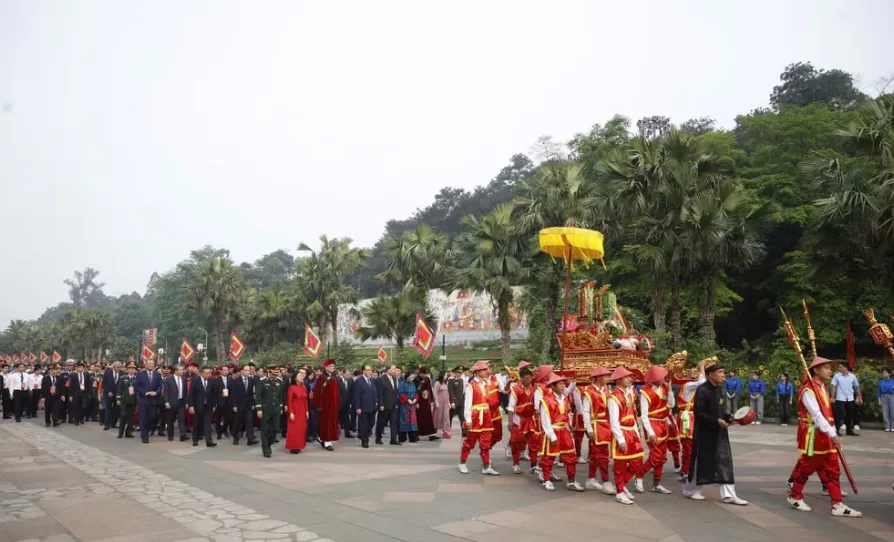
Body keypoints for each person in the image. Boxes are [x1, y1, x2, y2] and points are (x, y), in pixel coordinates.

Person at [787, 357, 862, 517]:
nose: (830, 371)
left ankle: (837, 504)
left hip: (826, 433)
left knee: (832, 467)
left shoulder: (823, 387)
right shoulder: (808, 390)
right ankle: (794, 495)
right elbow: (816, 415)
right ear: (816, 370)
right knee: (808, 465)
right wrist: (833, 434)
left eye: (830, 368)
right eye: (826, 368)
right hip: (815, 434)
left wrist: (832, 432)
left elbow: (828, 415)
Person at [683, 360, 748, 505]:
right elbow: (699, 413)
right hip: (705, 433)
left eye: (723, 372)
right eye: (720, 372)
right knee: (702, 462)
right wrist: (716, 421)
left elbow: (720, 410)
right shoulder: (702, 390)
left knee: (724, 461)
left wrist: (728, 416)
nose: (723, 375)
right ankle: (690, 489)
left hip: (719, 433)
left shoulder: (719, 390)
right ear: (710, 375)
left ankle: (729, 495)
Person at [539, 373, 584, 492]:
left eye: (563, 383)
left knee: (570, 456)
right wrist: (551, 435)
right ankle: (547, 479)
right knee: (549, 457)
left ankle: (571, 481)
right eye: (560, 383)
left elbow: (567, 413)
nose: (563, 385)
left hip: (564, 431)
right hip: (553, 430)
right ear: (553, 386)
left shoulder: (565, 398)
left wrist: (569, 425)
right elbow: (545, 420)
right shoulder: (546, 400)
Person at [607, 367, 645, 505]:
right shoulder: (613, 397)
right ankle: (620, 492)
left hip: (632, 432)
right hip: (622, 432)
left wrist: (636, 431)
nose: (630, 379)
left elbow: (633, 415)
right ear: (618, 380)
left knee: (637, 463)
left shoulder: (629, 394)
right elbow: (614, 421)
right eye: (627, 377)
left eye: (630, 377)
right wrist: (620, 439)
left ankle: (622, 486)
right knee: (620, 465)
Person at [458, 360, 499, 476]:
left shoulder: (486, 384)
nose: (487, 372)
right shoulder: (471, 385)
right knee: (470, 442)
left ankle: (486, 466)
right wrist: (468, 420)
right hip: (476, 416)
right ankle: (462, 463)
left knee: (485, 442)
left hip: (486, 416)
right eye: (484, 370)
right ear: (477, 372)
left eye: (486, 369)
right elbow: (467, 404)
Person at [637, 365, 674, 495]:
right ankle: (639, 475)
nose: (664, 379)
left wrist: (670, 391)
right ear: (655, 378)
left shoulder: (664, 388)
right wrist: (651, 432)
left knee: (662, 456)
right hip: (652, 425)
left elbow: (671, 405)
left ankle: (656, 483)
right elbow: (644, 415)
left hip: (663, 425)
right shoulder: (645, 392)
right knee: (655, 455)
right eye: (662, 377)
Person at [582, 366, 616, 494]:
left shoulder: (607, 390)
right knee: (602, 455)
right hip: (596, 425)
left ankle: (591, 479)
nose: (608, 378)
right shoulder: (588, 392)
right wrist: (589, 429)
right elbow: (585, 412)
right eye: (606, 376)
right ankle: (606, 481)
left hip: (605, 425)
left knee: (597, 455)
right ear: (598, 377)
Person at [677, 359, 708, 482]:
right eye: (693, 372)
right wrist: (701, 367)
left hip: (691, 418)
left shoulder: (693, 387)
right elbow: (703, 382)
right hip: (687, 419)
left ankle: (685, 470)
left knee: (689, 447)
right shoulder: (688, 385)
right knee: (689, 447)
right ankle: (685, 470)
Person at [507, 366, 538, 474]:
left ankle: (533, 465)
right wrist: (510, 422)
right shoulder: (516, 389)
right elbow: (511, 407)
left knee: (534, 442)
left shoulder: (535, 389)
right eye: (527, 378)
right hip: (518, 420)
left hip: (530, 420)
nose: (529, 380)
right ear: (521, 378)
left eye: (530, 378)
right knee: (517, 443)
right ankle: (516, 464)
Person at [312, 359, 341, 451]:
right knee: (325, 423)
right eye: (331, 366)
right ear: (325, 367)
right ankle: (326, 440)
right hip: (325, 405)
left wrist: (338, 402)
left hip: (333, 405)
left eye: (333, 366)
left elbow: (337, 392)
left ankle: (328, 438)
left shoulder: (334, 377)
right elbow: (317, 393)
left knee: (333, 422)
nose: (333, 368)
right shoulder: (322, 378)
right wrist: (318, 405)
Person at [188, 366, 219, 448]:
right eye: (207, 373)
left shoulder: (212, 381)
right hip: (197, 406)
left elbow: (214, 394)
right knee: (197, 423)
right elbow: (191, 394)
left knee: (208, 424)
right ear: (201, 373)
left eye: (210, 373)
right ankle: (195, 439)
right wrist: (191, 406)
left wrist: (214, 405)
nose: (209, 374)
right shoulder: (195, 381)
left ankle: (209, 441)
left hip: (208, 406)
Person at [256, 365, 283, 458]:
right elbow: (258, 397)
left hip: (275, 410)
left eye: (277, 374)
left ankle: (268, 444)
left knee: (276, 429)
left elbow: (280, 396)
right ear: (269, 372)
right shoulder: (262, 382)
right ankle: (265, 449)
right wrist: (259, 409)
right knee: (264, 430)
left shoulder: (279, 382)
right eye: (273, 374)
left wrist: (281, 407)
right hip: (265, 410)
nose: (275, 376)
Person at [831, 362, 862, 436]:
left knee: (850, 415)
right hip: (840, 398)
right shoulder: (837, 376)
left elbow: (857, 387)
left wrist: (859, 397)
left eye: (841, 367)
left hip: (850, 398)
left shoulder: (852, 376)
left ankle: (849, 430)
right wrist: (832, 397)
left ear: (846, 368)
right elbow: (834, 386)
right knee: (839, 415)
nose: (840, 368)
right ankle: (836, 430)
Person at [352, 365, 378, 448]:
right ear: (363, 371)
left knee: (371, 423)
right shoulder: (359, 381)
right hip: (363, 407)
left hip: (372, 406)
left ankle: (362, 434)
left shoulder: (372, 380)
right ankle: (365, 440)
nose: (369, 371)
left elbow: (374, 392)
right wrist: (358, 407)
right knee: (363, 424)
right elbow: (356, 395)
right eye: (367, 370)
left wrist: (376, 401)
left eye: (370, 370)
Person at [231, 364, 257, 445]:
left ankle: (250, 439)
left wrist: (253, 403)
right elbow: (233, 394)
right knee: (237, 422)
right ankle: (235, 438)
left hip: (248, 404)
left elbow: (252, 393)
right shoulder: (236, 380)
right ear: (241, 371)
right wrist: (234, 405)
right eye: (245, 370)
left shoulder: (251, 380)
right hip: (239, 405)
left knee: (250, 421)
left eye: (248, 370)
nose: (247, 372)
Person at [286, 368, 309, 454]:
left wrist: (307, 411)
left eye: (302, 375)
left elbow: (305, 400)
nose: (301, 376)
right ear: (295, 378)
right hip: (295, 410)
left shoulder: (303, 387)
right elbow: (289, 401)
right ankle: (293, 446)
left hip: (302, 410)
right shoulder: (291, 388)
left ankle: (299, 445)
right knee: (294, 429)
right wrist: (291, 412)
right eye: (299, 375)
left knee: (301, 429)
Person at [376, 365, 400, 446]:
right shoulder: (381, 379)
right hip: (384, 405)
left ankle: (393, 439)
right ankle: (378, 438)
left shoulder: (394, 378)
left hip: (393, 405)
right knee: (381, 422)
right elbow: (379, 393)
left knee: (394, 423)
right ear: (388, 370)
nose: (394, 371)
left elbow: (395, 392)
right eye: (393, 369)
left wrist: (396, 403)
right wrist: (381, 404)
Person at [164, 365, 189, 441]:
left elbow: (185, 391)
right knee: (170, 420)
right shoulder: (168, 379)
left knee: (182, 419)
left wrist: (186, 402)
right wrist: (167, 402)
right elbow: (166, 391)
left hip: (181, 402)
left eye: (183, 370)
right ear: (176, 371)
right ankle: (170, 436)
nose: (183, 371)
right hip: (171, 403)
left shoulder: (184, 379)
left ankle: (183, 435)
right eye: (181, 370)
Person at [416, 368, 439, 441]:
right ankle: (417, 433)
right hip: (419, 402)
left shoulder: (427, 379)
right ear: (420, 373)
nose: (425, 375)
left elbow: (429, 390)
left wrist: (432, 400)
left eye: (426, 374)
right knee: (419, 419)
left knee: (429, 418)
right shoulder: (416, 379)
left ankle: (432, 434)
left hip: (426, 401)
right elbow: (419, 388)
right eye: (424, 374)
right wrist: (416, 402)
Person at [116, 362, 138, 438]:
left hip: (133, 400)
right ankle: (120, 433)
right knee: (123, 417)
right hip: (124, 400)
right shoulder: (123, 378)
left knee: (131, 418)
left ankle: (128, 432)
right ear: (127, 370)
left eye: (133, 369)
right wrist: (118, 398)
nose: (131, 370)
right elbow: (119, 389)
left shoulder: (137, 379)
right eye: (130, 369)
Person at [68, 361, 92, 426]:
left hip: (84, 393)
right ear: (77, 368)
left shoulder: (87, 375)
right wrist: (70, 395)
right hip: (76, 393)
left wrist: (89, 393)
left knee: (83, 407)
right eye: (79, 368)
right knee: (76, 407)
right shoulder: (73, 375)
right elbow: (71, 386)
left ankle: (81, 418)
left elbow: (89, 385)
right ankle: (76, 420)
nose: (80, 369)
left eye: (81, 368)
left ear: (84, 368)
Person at [398, 371, 420, 443]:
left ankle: (412, 438)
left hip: (412, 406)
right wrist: (408, 400)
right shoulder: (402, 384)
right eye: (411, 377)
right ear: (407, 377)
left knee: (413, 422)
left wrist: (415, 400)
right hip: (405, 406)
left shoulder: (413, 384)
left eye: (413, 377)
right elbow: (401, 393)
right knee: (404, 421)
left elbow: (416, 393)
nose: (413, 379)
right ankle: (402, 438)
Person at [102, 361, 123, 430]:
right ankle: (106, 424)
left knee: (116, 409)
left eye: (120, 367)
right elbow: (104, 383)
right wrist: (108, 392)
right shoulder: (108, 372)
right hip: (108, 393)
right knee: (108, 408)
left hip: (117, 394)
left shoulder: (122, 373)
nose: (118, 368)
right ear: (113, 367)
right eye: (117, 367)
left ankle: (113, 423)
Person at [447, 367, 466, 436]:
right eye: (458, 372)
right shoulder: (451, 381)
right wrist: (452, 402)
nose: (460, 374)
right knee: (450, 417)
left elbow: (462, 392)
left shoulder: (461, 380)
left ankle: (464, 432)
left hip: (461, 402)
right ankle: (448, 431)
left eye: (461, 373)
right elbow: (450, 392)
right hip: (454, 402)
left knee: (462, 417)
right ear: (455, 373)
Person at [433, 370, 452, 438]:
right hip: (440, 403)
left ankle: (446, 430)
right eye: (445, 375)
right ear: (442, 375)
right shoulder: (437, 383)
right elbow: (435, 393)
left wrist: (449, 402)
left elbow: (447, 393)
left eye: (447, 375)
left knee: (446, 416)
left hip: (446, 403)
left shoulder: (445, 383)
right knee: (438, 416)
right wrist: (436, 402)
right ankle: (434, 430)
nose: (446, 376)